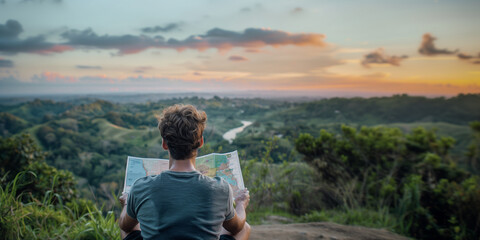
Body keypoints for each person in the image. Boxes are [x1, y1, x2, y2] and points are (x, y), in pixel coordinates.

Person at [118, 104, 251, 240]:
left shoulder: (141, 187)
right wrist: (241, 203)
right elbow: (236, 227)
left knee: (131, 229)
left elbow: (124, 225)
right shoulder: (221, 188)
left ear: (164, 144)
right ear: (200, 142)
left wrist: (127, 203)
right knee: (244, 228)